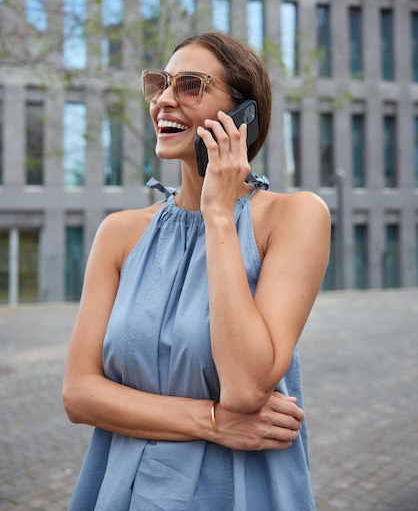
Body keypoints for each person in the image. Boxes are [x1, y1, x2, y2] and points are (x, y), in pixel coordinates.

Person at [63, 31, 330, 510]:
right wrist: (212, 420)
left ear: (241, 114)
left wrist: (220, 215)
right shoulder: (119, 233)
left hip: (238, 493)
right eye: (160, 83)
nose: (164, 99)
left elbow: (247, 386)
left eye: (190, 85)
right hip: (123, 490)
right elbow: (80, 394)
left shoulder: (296, 218)